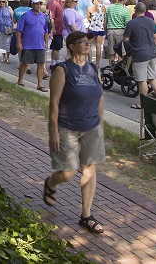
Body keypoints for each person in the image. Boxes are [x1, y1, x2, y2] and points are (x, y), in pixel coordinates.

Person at [45, 30, 106, 234]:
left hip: (91, 127)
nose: (87, 45)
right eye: (82, 42)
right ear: (71, 46)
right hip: (67, 127)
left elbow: (100, 100)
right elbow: (53, 104)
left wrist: (101, 127)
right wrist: (53, 131)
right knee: (68, 172)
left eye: (88, 42)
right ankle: (51, 183)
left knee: (89, 169)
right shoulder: (62, 70)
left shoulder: (93, 69)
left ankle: (86, 216)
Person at [125, 2, 156, 108]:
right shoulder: (151, 21)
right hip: (152, 53)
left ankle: (143, 103)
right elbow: (155, 36)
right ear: (145, 11)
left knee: (142, 80)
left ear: (135, 10)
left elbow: (126, 39)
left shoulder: (131, 23)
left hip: (140, 54)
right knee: (152, 78)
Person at [16, 0, 51, 91]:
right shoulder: (26, 15)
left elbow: (46, 30)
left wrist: (46, 42)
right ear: (32, 4)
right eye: (36, 3)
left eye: (40, 3)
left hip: (40, 45)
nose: (38, 5)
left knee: (40, 64)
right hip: (28, 44)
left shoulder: (43, 16)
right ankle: (20, 79)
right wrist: (19, 42)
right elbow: (19, 30)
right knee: (24, 63)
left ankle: (40, 84)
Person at [105, 0, 130, 64]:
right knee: (121, 52)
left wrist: (106, 32)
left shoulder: (109, 8)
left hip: (110, 30)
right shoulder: (125, 10)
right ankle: (119, 70)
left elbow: (105, 22)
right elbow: (127, 24)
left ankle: (111, 69)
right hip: (120, 31)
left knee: (111, 52)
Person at [48, 0, 67, 67]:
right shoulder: (53, 2)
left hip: (60, 28)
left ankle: (53, 63)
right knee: (56, 47)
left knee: (55, 47)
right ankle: (58, 64)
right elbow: (51, 17)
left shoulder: (59, 2)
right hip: (56, 29)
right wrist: (53, 28)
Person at [0, 0, 15, 64]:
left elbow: (12, 17)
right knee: (1, 44)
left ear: (5, 2)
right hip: (0, 28)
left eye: (3, 1)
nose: (1, 3)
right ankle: (3, 57)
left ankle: (8, 57)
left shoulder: (8, 8)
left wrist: (13, 26)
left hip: (8, 28)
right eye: (0, 1)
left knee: (7, 43)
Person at [87, 0, 106, 65]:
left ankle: (90, 62)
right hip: (100, 28)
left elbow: (88, 17)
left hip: (92, 29)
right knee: (98, 46)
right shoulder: (103, 7)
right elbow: (104, 18)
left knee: (89, 45)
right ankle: (97, 64)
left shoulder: (90, 8)